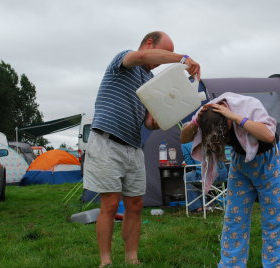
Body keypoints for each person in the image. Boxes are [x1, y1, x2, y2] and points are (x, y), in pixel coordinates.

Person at [83, 31, 201, 267]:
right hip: (107, 141)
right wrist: (182, 58)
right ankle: (105, 261)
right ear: (149, 43)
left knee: (136, 204)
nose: (159, 62)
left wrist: (164, 116)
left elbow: (148, 122)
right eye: (162, 53)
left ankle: (132, 258)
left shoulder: (150, 83)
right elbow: (139, 57)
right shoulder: (124, 59)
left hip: (134, 146)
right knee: (110, 203)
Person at [180, 92, 280, 268]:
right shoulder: (207, 113)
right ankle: (231, 264)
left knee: (275, 220)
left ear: (228, 121)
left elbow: (269, 135)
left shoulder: (248, 105)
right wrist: (195, 122)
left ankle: (276, 265)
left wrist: (236, 117)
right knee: (234, 219)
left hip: (269, 161)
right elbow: (184, 137)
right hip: (241, 163)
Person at [181, 141, 228, 213]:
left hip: (206, 176)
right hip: (222, 175)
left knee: (188, 177)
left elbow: (191, 164)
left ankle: (198, 207)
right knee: (195, 176)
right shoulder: (213, 138)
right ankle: (208, 203)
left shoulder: (186, 144)